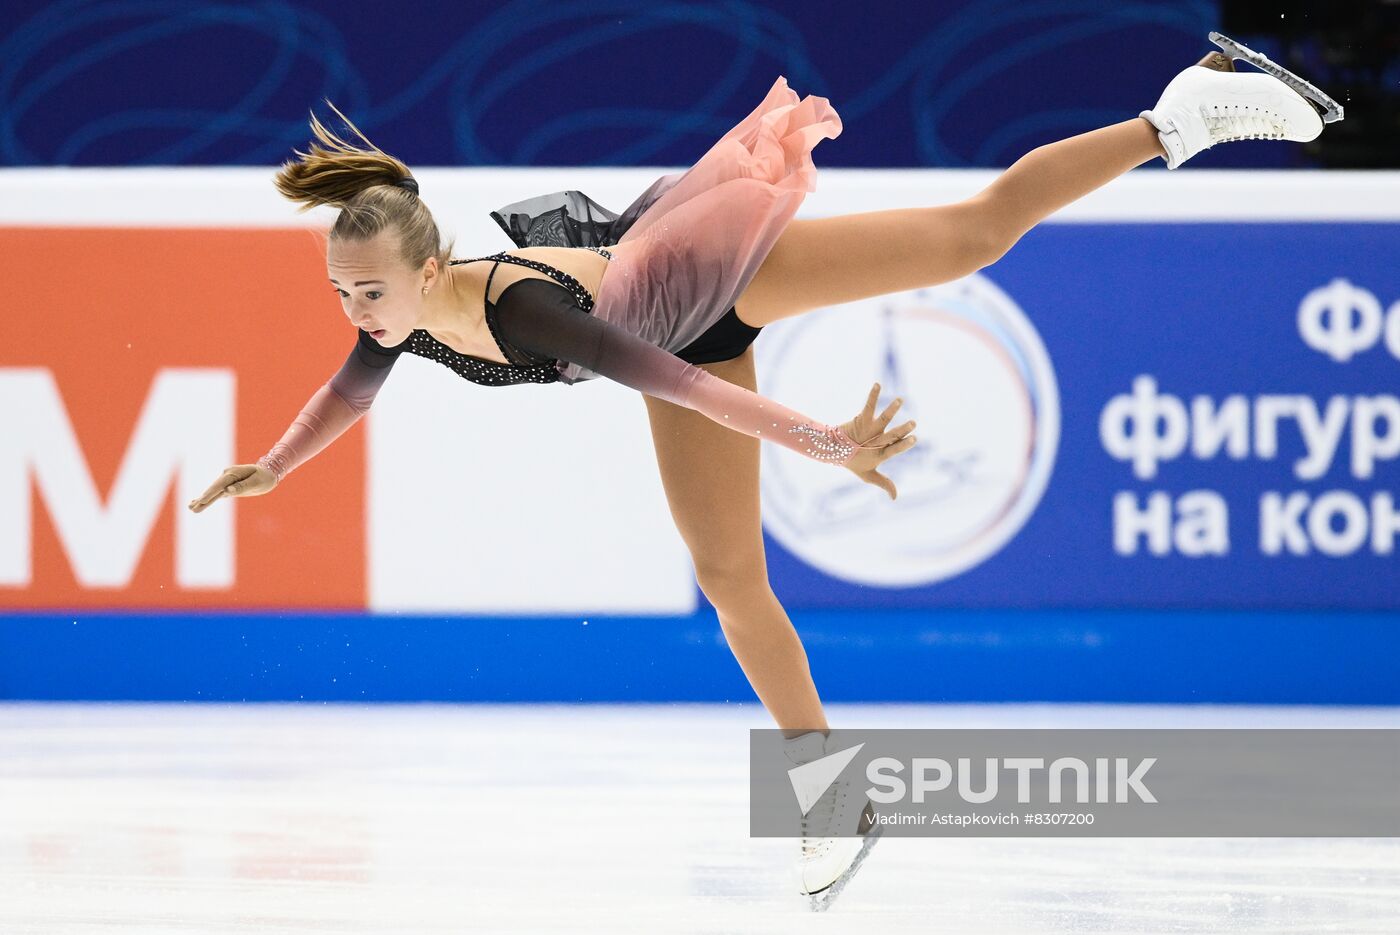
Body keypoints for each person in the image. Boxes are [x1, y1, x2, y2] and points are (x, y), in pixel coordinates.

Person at [188, 36, 1341, 905]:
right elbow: (349, 386)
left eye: (369, 291)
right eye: (341, 292)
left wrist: (826, 443)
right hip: (667, 323)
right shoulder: (399, 317)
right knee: (730, 575)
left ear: (430, 263)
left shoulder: (522, 312)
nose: (354, 311)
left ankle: (1176, 114)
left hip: (703, 284)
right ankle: (836, 803)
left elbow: (679, 379)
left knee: (970, 231)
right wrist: (274, 466)